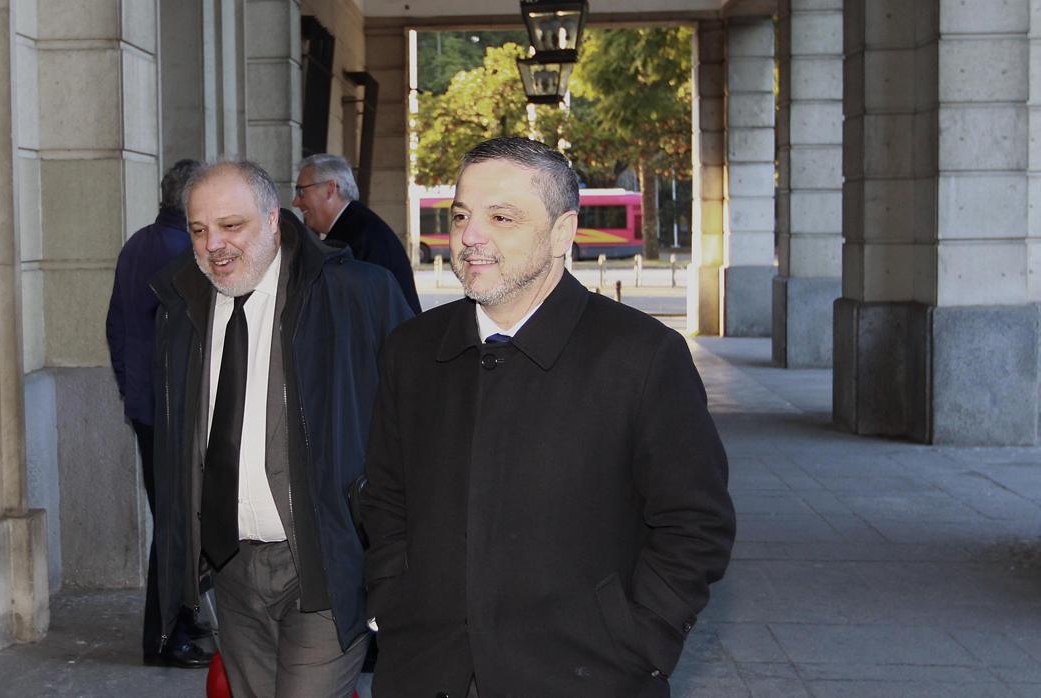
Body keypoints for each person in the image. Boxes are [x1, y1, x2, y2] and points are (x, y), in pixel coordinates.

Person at [361, 137, 736, 698]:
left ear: (562, 232)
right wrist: (392, 597)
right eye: (461, 215)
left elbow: (695, 524)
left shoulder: (641, 356)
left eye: (501, 217)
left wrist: (639, 640)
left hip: (588, 677)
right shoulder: (410, 350)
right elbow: (386, 496)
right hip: (426, 671)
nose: (470, 237)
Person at [149, 159, 413, 696]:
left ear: (273, 220)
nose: (214, 245)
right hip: (232, 572)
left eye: (231, 225)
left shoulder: (356, 294)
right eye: (199, 230)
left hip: (324, 564)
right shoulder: (180, 311)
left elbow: (418, 418)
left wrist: (390, 546)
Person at [105, 158, 213, 668]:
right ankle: (167, 636)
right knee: (177, 524)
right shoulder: (185, 255)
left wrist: (133, 392)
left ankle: (183, 622)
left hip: (151, 409)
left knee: (178, 520)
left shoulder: (137, 244)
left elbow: (116, 328)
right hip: (175, 412)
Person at [293, 154, 422, 315]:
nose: (295, 202)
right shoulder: (359, 226)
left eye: (301, 192)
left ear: (330, 189)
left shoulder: (354, 239)